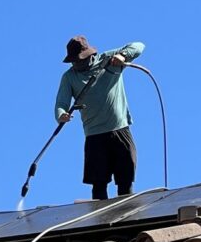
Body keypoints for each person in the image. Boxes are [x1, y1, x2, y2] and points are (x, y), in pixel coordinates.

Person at [55, 35, 145, 200]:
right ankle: (101, 220)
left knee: (125, 180)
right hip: (94, 135)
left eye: (80, 60)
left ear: (89, 55)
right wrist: (61, 114)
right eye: (74, 61)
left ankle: (127, 218)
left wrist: (122, 56)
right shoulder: (69, 77)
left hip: (119, 129)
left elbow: (139, 45)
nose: (77, 64)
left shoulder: (108, 60)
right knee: (99, 184)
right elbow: (61, 102)